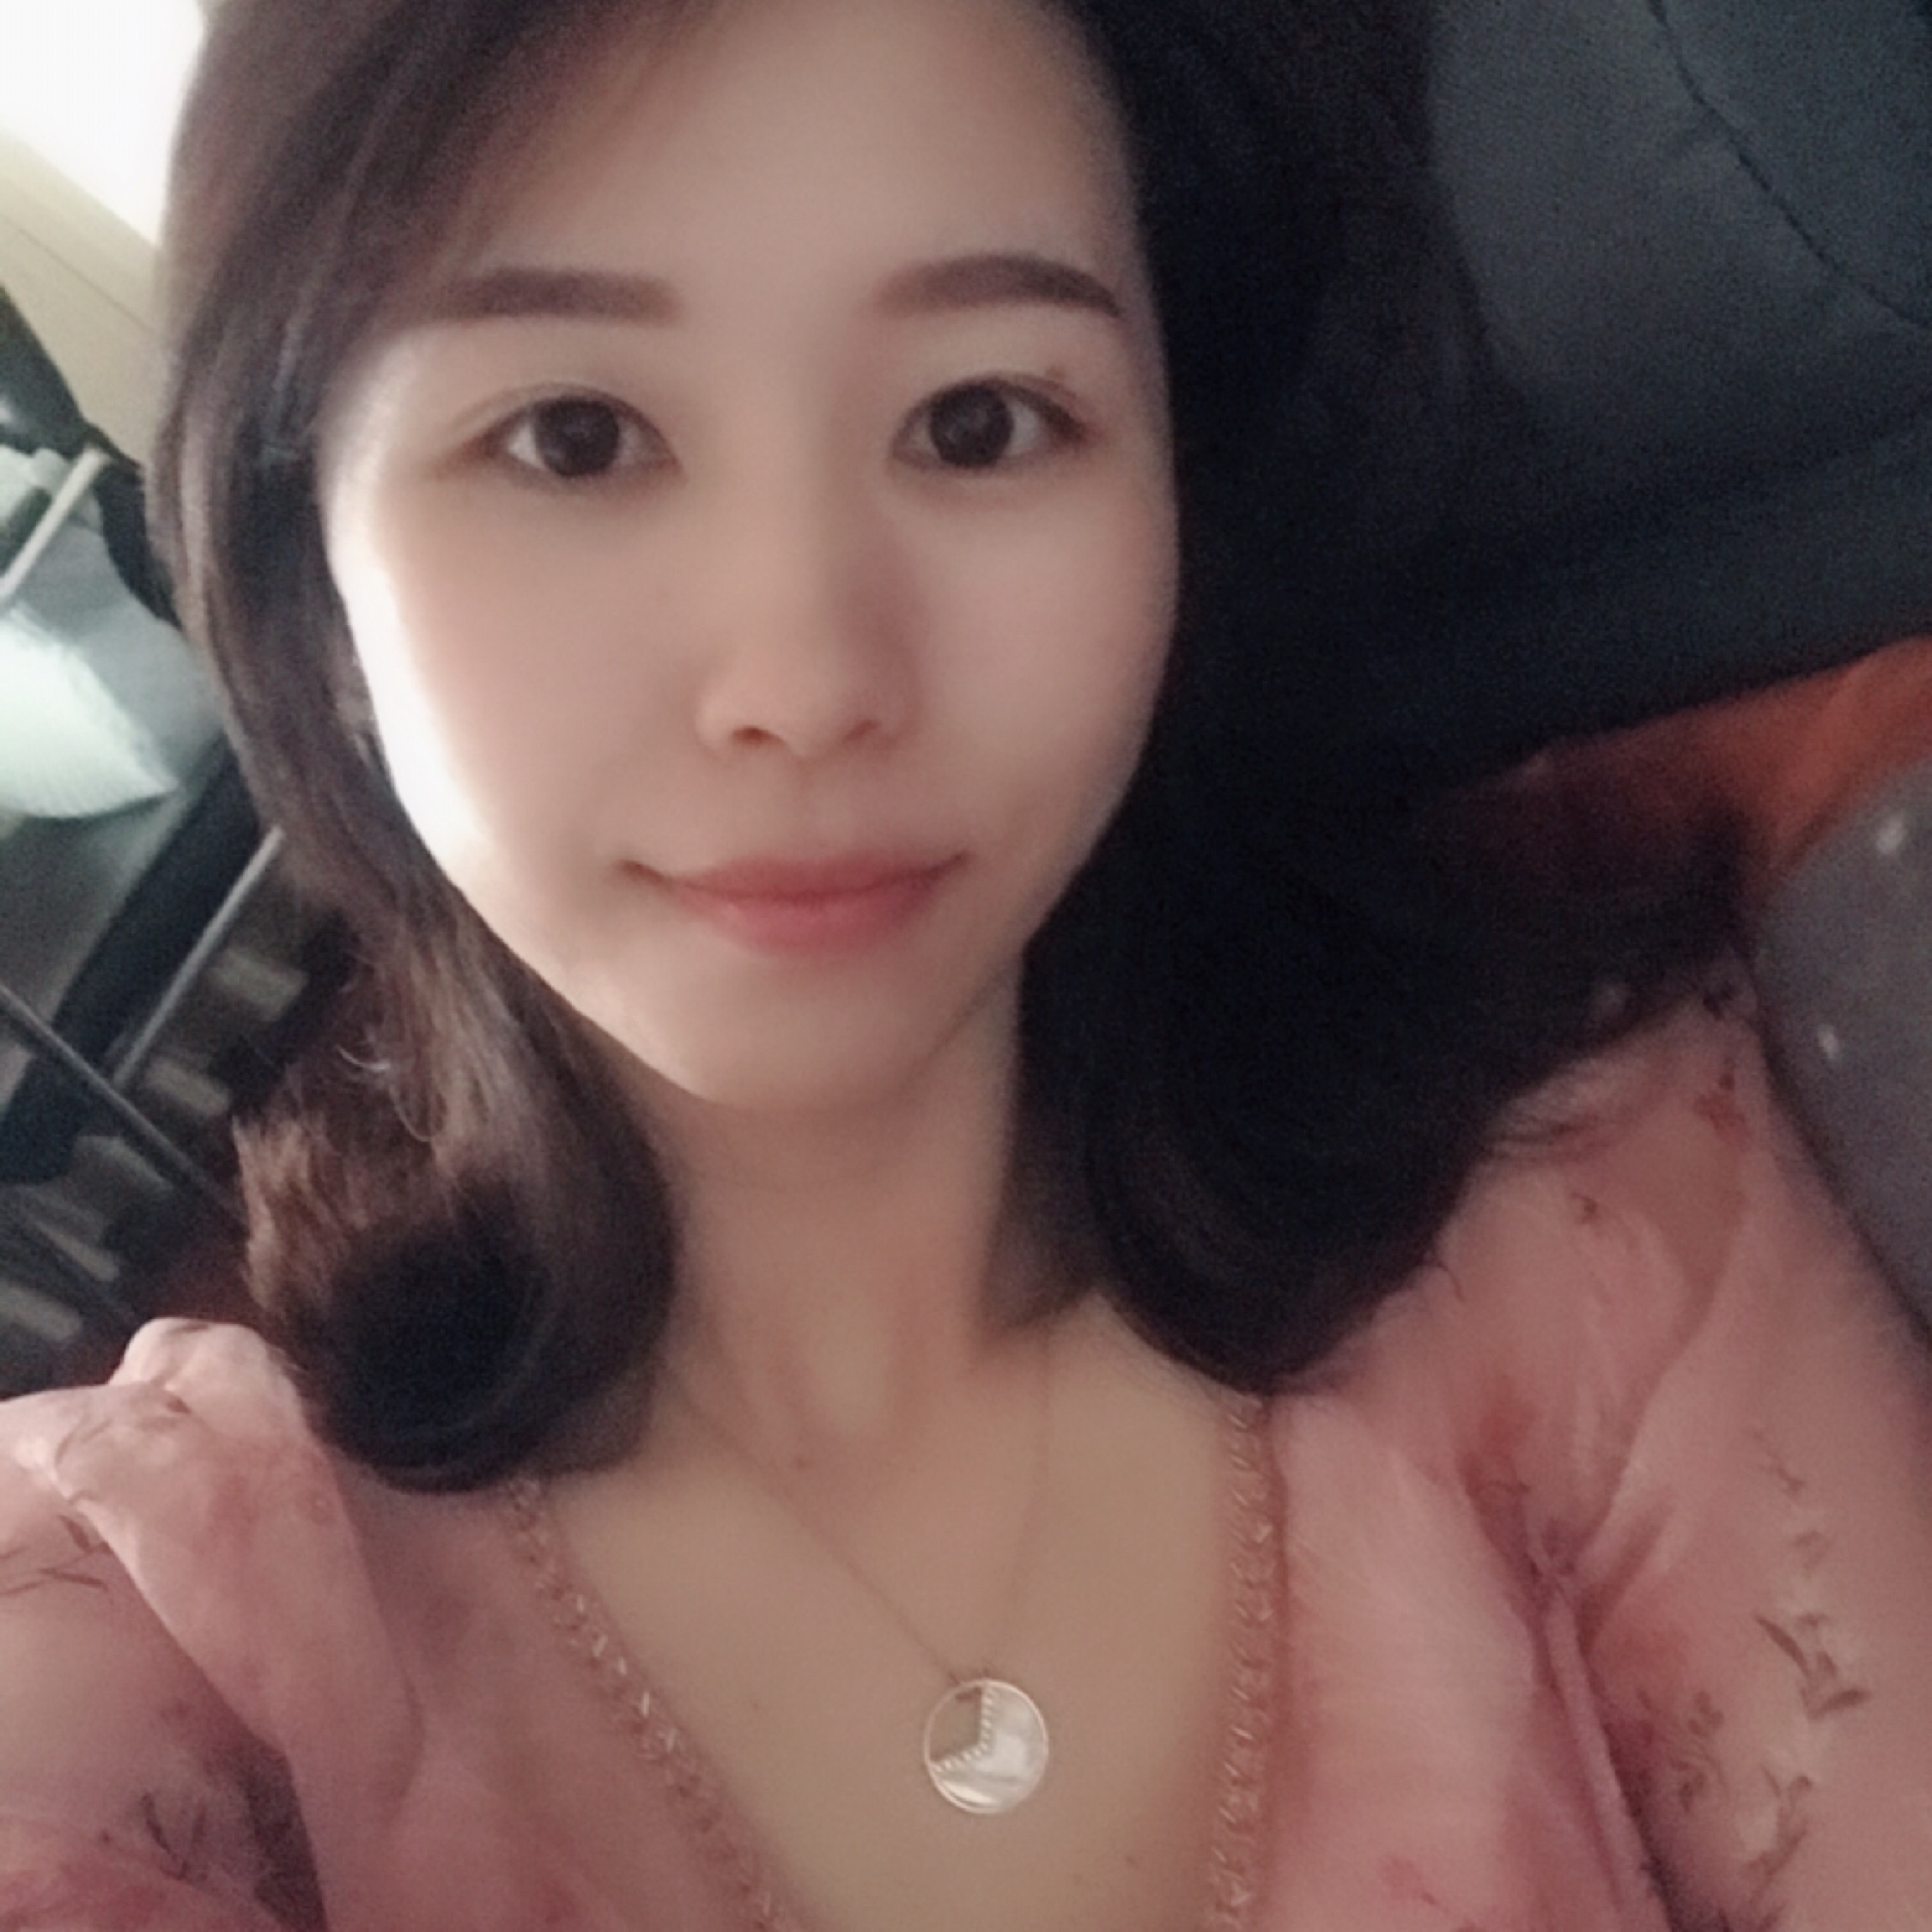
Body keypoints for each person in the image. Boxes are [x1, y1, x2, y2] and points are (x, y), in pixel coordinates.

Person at [3, 0, 1930, 1926]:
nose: (809, 678)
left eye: (979, 421)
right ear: (318, 592)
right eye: (573, 438)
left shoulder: (1588, 1227)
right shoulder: (170, 1604)